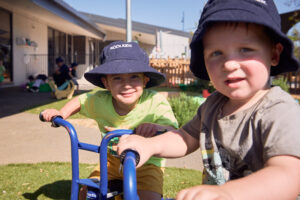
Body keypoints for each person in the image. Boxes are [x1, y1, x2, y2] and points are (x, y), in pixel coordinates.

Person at [117, 1, 300, 199]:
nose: (229, 64)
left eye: (245, 49)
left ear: (273, 54)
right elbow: (185, 137)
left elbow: (289, 174)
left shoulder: (279, 110)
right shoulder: (213, 105)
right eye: (216, 53)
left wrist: (227, 193)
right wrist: (150, 146)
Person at [41, 41, 178, 200]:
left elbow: (173, 131)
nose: (127, 85)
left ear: (145, 80)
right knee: (86, 195)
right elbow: (81, 101)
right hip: (110, 164)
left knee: (146, 197)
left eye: (134, 77)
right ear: (106, 83)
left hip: (147, 164)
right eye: (117, 78)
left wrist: (155, 127)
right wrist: (61, 113)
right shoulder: (100, 100)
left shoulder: (155, 102)